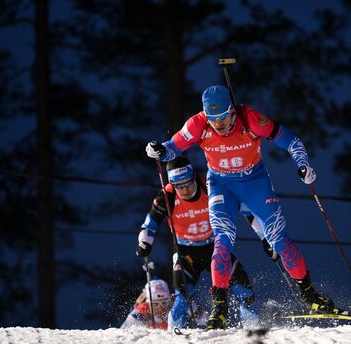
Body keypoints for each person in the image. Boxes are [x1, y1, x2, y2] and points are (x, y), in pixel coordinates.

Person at [145, 85, 340, 330]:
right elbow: (171, 148)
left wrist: (303, 165)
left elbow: (291, 140)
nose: (218, 125)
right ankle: (220, 308)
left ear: (232, 111)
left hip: (255, 183)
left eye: (222, 118)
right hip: (221, 185)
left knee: (280, 242)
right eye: (212, 119)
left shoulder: (252, 120)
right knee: (222, 243)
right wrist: (158, 149)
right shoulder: (197, 124)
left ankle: (311, 297)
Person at [136, 156, 270, 329]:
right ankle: (172, 338)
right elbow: (149, 225)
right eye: (178, 185)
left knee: (243, 290)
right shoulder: (167, 196)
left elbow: (246, 211)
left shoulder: (210, 186)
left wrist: (264, 237)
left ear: (194, 177)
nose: (183, 189)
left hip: (214, 247)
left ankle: (252, 331)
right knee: (183, 297)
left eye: (187, 183)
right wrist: (144, 243)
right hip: (186, 252)